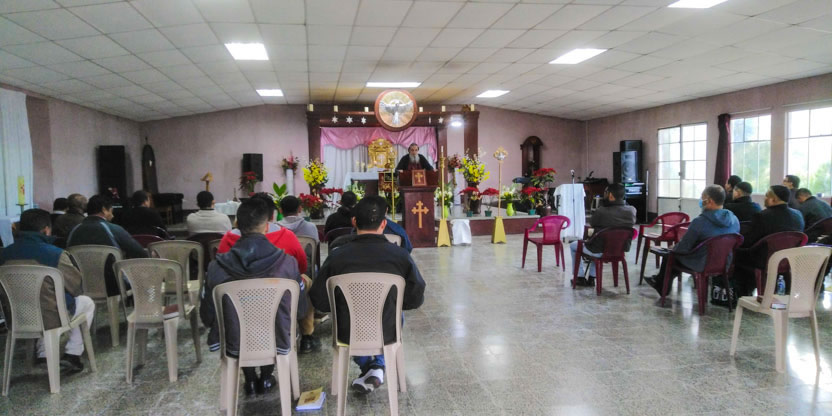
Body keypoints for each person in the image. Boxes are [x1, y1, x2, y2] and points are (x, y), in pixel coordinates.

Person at [310, 195, 425, 395]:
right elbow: (415, 297)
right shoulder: (400, 256)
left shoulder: (337, 256)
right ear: (383, 224)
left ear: (354, 222)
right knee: (395, 312)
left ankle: (371, 368)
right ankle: (377, 367)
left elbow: (319, 300)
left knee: (347, 316)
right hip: (387, 330)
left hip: (348, 331)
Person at [200, 198, 306, 395]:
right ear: (266, 226)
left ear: (237, 225)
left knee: (239, 326)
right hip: (276, 338)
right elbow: (300, 310)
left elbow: (207, 315)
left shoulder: (216, 267)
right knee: (274, 323)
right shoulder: (287, 263)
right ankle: (266, 376)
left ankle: (249, 379)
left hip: (235, 341)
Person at [217, 193, 318, 352]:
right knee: (306, 280)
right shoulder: (286, 236)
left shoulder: (228, 238)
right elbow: (301, 266)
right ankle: (307, 336)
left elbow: (220, 270)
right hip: (279, 299)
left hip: (240, 301)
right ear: (271, 216)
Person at [0, 209, 95, 373]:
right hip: (50, 317)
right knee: (86, 302)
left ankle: (43, 353)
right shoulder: (56, 254)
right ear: (46, 229)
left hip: (16, 317)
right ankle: (73, 353)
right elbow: (76, 287)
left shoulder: (3, 254)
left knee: (41, 304)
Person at [645, 185, 740, 294]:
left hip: (702, 263)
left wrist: (673, 248)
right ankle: (659, 281)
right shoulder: (734, 219)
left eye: (702, 198)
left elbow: (684, 247)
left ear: (709, 201)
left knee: (670, 256)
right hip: (724, 262)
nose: (701, 201)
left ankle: (662, 287)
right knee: (674, 257)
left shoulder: (700, 222)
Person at [66, 195, 147, 296]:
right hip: (113, 287)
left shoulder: (73, 231)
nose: (112, 215)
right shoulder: (114, 229)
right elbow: (140, 253)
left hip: (81, 286)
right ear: (104, 209)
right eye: (111, 211)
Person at [732, 185, 805, 296]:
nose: (764, 198)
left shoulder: (762, 216)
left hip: (765, 260)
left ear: (773, 199)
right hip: (788, 260)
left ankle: (743, 295)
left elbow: (749, 241)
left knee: (737, 255)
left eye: (766, 196)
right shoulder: (798, 215)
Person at [570, 183, 636, 287]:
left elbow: (593, 223)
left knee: (574, 245)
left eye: (605, 192)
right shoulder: (632, 210)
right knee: (600, 241)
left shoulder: (601, 211)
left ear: (610, 195)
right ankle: (592, 278)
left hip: (599, 250)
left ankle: (579, 277)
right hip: (619, 250)